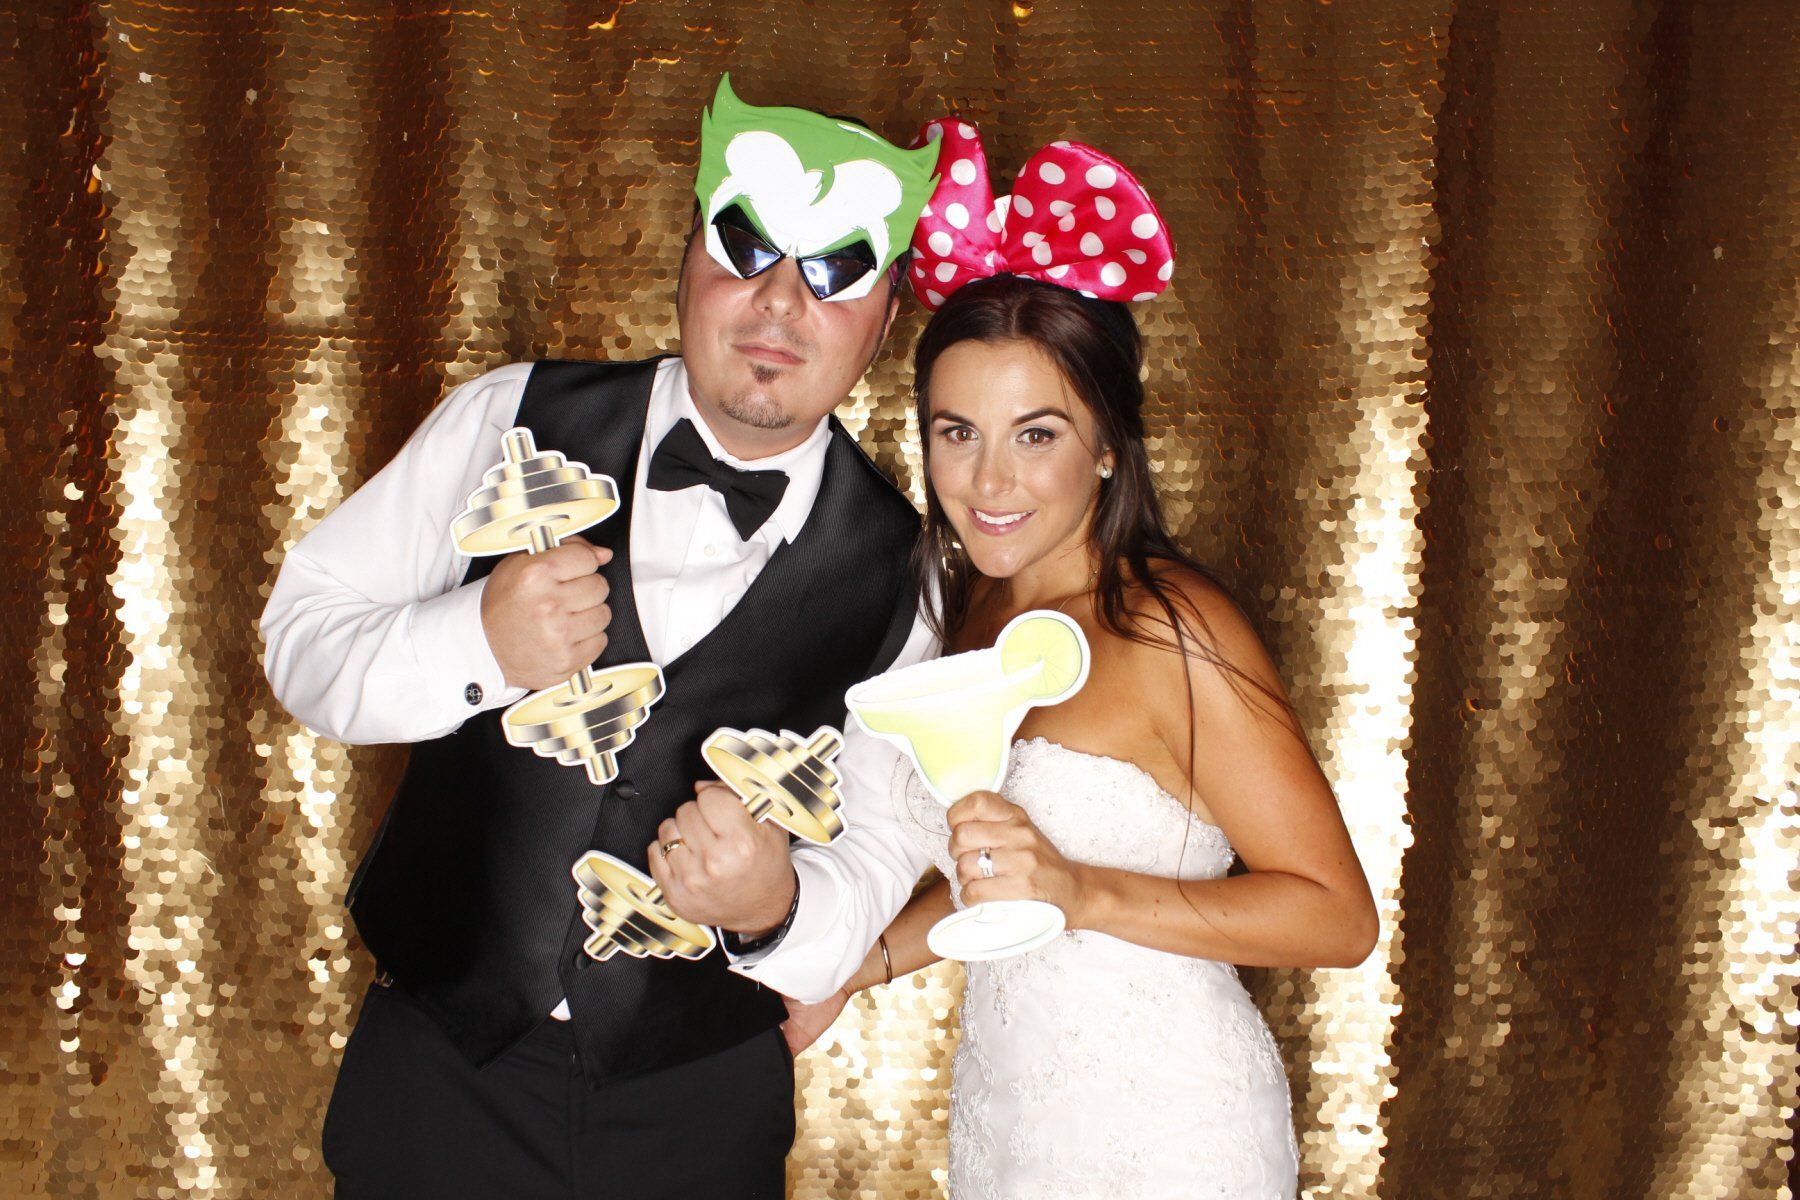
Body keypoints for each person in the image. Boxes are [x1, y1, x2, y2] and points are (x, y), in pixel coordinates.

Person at [260, 75, 941, 1199]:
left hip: (700, 1099)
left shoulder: (905, 576)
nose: (778, 305)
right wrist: (473, 641)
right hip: (439, 1072)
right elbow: (301, 639)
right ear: (685, 257)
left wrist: (777, 910)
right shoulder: (509, 416)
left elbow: (877, 856)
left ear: (884, 314)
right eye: (743, 248)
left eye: (834, 272)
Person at [777, 121, 1381, 1198]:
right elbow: (988, 880)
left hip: (1173, 1128)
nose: (989, 478)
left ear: (1108, 445)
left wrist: (1080, 891)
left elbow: (1336, 916)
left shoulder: (1169, 626)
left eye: (1037, 433)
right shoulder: (961, 613)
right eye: (955, 431)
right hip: (1009, 1117)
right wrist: (857, 970)